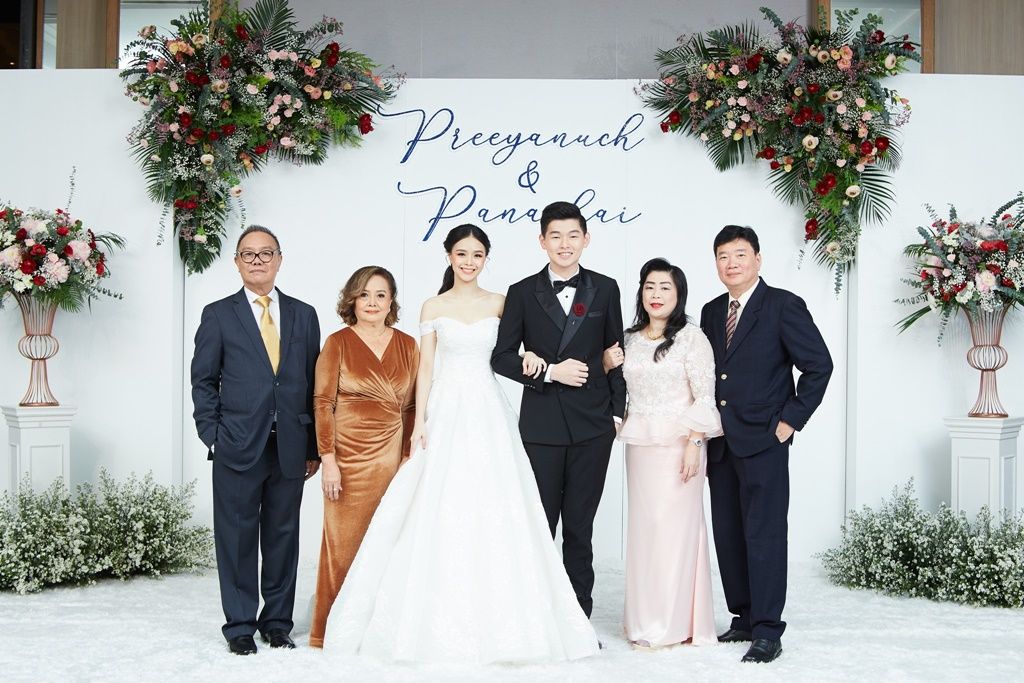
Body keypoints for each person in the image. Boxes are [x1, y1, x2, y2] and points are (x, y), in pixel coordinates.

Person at [320, 224, 599, 662]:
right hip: (446, 409)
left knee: (495, 504)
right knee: (438, 502)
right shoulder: (433, 306)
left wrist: (532, 357)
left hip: (488, 409)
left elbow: (513, 351)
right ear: (449, 256)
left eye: (477, 255)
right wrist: (420, 422)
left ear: (486, 259)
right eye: (462, 254)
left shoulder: (501, 302)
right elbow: (426, 367)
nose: (469, 262)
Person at [699, 225, 833, 664]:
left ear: (758, 259)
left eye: (740, 254)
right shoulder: (711, 311)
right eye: (723, 256)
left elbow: (819, 365)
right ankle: (744, 616)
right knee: (729, 532)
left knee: (765, 533)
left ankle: (768, 630)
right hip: (721, 441)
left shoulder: (783, 305)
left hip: (764, 439)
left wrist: (790, 420)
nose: (731, 263)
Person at [491, 201, 627, 619]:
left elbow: (616, 354)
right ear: (542, 241)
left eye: (573, 235)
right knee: (540, 526)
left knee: (580, 530)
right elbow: (501, 357)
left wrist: (617, 413)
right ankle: (537, 619)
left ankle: (578, 619)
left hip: (594, 426)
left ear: (586, 239)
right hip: (542, 426)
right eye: (555, 236)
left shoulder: (606, 288)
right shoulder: (521, 292)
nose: (564, 244)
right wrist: (550, 372)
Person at [190, 225, 321, 655]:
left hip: (290, 446)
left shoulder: (304, 314)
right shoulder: (218, 315)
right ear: (237, 262)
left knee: (283, 537)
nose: (258, 260)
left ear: (279, 259)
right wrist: (213, 435)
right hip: (236, 444)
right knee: (236, 538)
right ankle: (241, 626)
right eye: (249, 254)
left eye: (266, 253)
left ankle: (277, 623)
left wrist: (313, 446)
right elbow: (203, 381)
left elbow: (313, 384)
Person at [603, 258, 721, 649]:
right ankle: (643, 619)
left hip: (680, 445)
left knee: (675, 531)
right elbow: (617, 387)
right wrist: (605, 362)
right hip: (641, 445)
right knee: (645, 531)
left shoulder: (692, 338)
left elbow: (705, 396)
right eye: (650, 287)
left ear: (679, 294)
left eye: (665, 287)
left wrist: (695, 444)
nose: (656, 294)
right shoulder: (630, 338)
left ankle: (674, 623)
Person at [308, 266, 418, 649]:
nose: (372, 302)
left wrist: (408, 458)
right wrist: (328, 459)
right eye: (364, 295)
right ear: (352, 300)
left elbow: (413, 408)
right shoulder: (337, 342)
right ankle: (330, 630)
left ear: (391, 302)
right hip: (347, 461)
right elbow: (322, 403)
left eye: (380, 295)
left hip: (392, 461)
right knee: (343, 546)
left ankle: (375, 631)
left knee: (387, 546)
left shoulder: (408, 345)